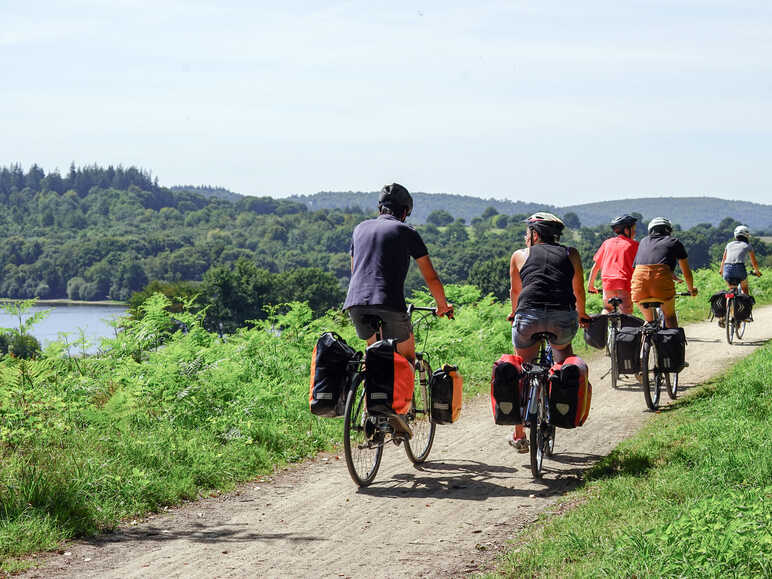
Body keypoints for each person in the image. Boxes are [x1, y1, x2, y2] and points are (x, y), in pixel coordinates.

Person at [343, 183, 454, 433]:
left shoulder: (359, 229)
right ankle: (399, 414)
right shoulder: (406, 231)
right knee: (406, 358)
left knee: (373, 355)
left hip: (356, 303)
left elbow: (355, 270)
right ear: (405, 211)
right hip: (389, 304)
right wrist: (442, 306)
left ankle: (367, 415)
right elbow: (431, 277)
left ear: (380, 208)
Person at [506, 212, 589, 452]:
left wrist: (515, 313)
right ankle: (559, 407)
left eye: (527, 233)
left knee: (521, 365)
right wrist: (582, 314)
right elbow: (578, 290)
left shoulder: (519, 256)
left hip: (528, 318)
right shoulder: (570, 253)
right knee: (563, 361)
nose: (525, 237)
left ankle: (519, 433)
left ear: (535, 234)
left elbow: (516, 291)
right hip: (562, 319)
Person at [630, 217, 697, 329]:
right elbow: (687, 273)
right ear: (669, 230)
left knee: (649, 322)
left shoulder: (643, 241)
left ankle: (644, 343)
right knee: (670, 317)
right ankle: (674, 345)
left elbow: (646, 267)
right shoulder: (674, 242)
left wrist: (670, 275)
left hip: (639, 285)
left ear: (651, 230)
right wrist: (691, 289)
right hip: (661, 286)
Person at [587, 215, 639, 314]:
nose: (635, 232)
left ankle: (603, 328)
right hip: (623, 282)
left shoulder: (607, 243)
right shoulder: (634, 245)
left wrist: (591, 285)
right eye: (633, 229)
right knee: (626, 310)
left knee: (607, 308)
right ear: (626, 230)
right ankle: (625, 329)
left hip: (607, 282)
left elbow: (596, 266)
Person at [719, 225, 762, 295]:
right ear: (747, 235)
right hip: (739, 268)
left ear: (735, 235)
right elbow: (754, 262)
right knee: (745, 289)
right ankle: (746, 304)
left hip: (727, 269)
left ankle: (728, 305)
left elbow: (724, 259)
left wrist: (721, 270)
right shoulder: (747, 245)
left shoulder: (729, 245)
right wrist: (757, 272)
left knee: (731, 291)